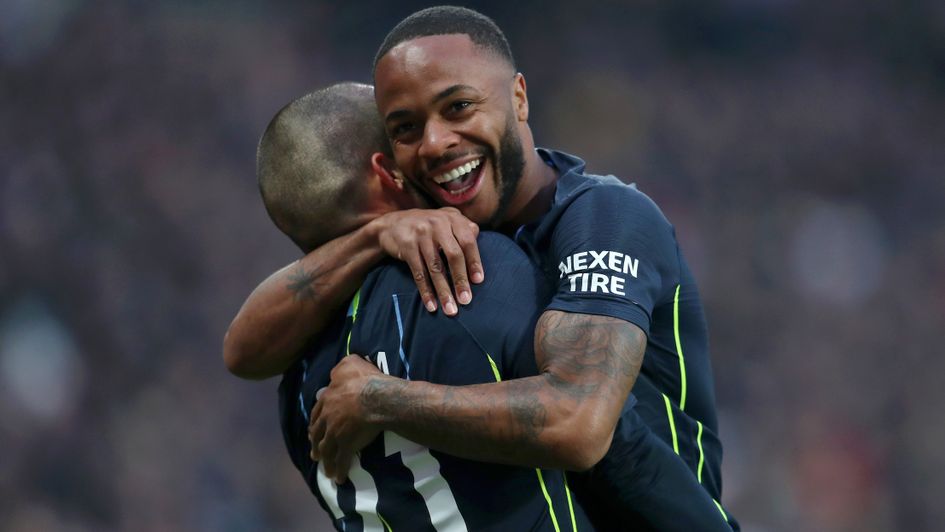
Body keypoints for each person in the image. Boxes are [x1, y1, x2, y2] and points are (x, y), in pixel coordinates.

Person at [226, 7, 737, 530]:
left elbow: (579, 423)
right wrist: (375, 233)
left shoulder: (603, 217)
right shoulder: (430, 256)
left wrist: (381, 400)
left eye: (459, 106)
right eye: (406, 128)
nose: (435, 141)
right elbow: (240, 351)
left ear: (518, 96)